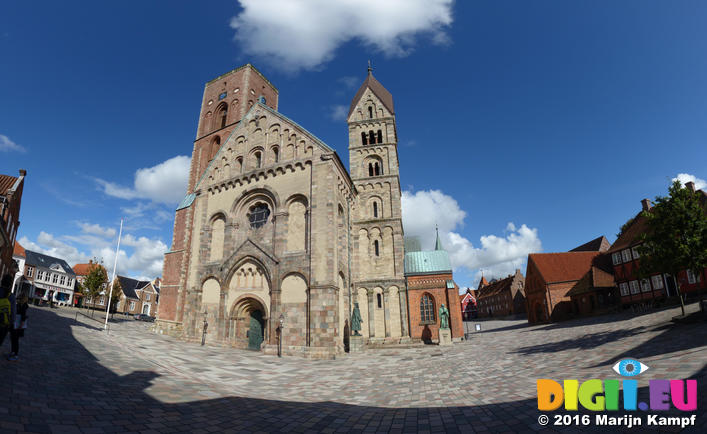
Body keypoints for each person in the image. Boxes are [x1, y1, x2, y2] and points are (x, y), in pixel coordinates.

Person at [8, 292, 28, 361]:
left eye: (19, 297)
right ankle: (13, 352)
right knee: (13, 339)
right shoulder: (19, 304)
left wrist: (21, 325)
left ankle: (15, 354)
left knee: (15, 340)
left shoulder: (23, 305)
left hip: (18, 325)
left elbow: (23, 316)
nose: (18, 298)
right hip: (15, 324)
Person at [0, 274, 16, 356]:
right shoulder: (11, 296)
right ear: (10, 284)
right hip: (3, 324)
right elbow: (13, 313)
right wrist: (11, 324)